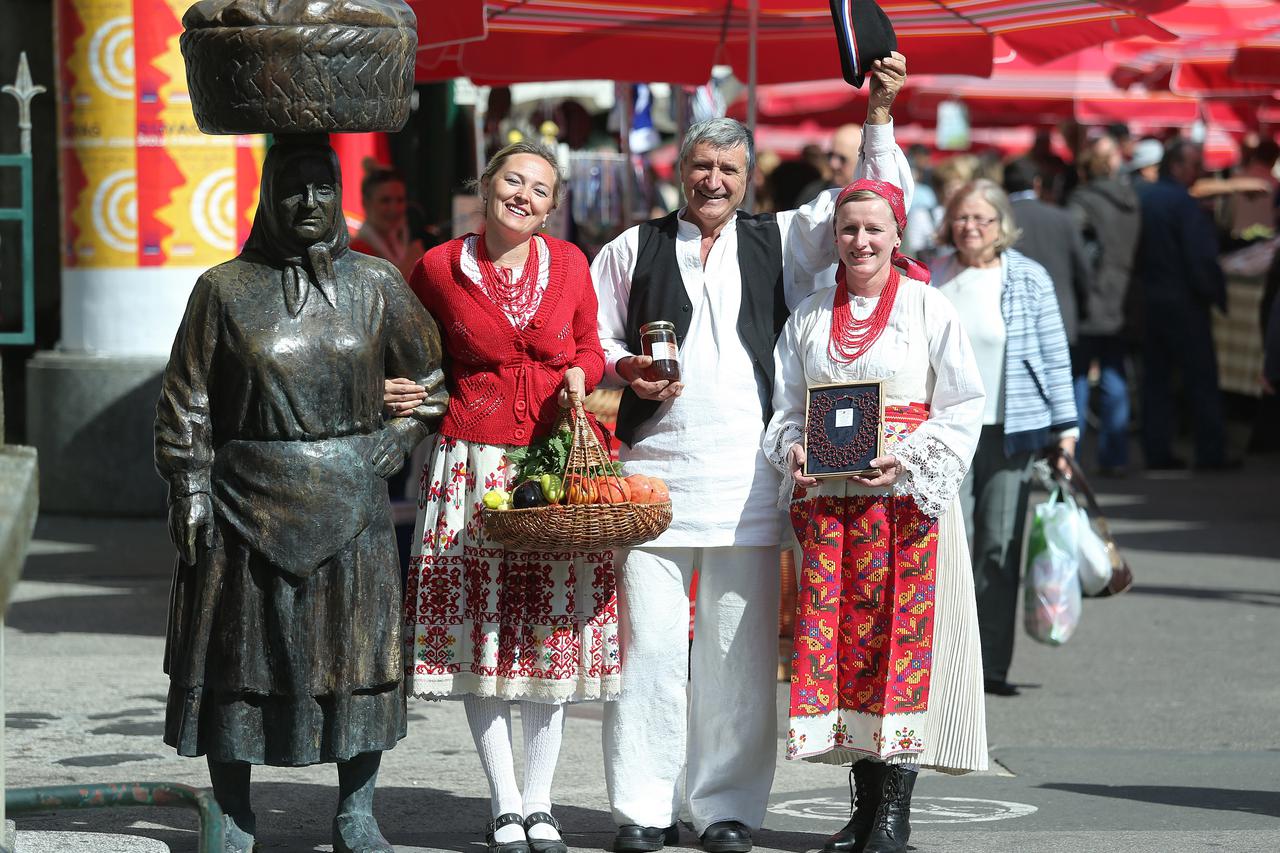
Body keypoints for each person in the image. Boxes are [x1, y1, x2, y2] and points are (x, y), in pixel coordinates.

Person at [591, 54, 912, 853]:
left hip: (750, 484)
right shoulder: (633, 246)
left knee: (736, 656)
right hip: (651, 481)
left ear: (749, 177)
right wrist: (622, 366)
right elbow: (590, 335)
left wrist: (878, 113)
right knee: (649, 650)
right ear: (678, 170)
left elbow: (869, 200)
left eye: (728, 168)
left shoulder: (788, 237)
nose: (713, 180)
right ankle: (642, 808)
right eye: (701, 165)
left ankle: (725, 808)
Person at [155, 138, 447, 853]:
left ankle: (356, 810)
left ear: (337, 194)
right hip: (244, 498)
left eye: (322, 188)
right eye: (292, 189)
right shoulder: (223, 290)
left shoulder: (376, 284)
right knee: (239, 661)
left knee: (357, 658)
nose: (308, 204)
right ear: (268, 197)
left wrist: (402, 435)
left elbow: (434, 376)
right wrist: (189, 486)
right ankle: (233, 810)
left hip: (351, 496)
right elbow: (186, 400)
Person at [386, 140, 618, 853]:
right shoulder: (436, 268)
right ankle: (504, 800)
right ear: (484, 186)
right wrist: (405, 388)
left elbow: (590, 344)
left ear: (552, 205)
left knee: (547, 631)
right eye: (512, 180)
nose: (524, 195)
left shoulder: (571, 263)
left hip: (550, 466)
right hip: (472, 465)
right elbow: (403, 347)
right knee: (484, 634)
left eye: (540, 188)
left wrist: (582, 372)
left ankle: (543, 801)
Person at [765, 178, 986, 853]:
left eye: (873, 229)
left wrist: (907, 459)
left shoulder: (927, 307)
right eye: (848, 230)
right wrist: (794, 447)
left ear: (898, 235)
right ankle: (862, 806)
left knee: (900, 647)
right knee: (845, 654)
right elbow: (783, 407)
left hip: (902, 506)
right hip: (831, 509)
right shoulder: (805, 315)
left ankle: (895, 810)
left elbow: (962, 402)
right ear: (834, 238)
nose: (861, 241)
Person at [931, 179, 1078, 697]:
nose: (970, 227)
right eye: (962, 217)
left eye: (981, 219)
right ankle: (945, 660)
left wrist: (1066, 432)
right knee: (949, 545)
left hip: (1009, 432)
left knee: (998, 548)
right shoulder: (931, 273)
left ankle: (990, 664)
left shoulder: (1027, 279)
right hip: (944, 433)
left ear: (1000, 225)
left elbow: (1055, 357)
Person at [1134, 140, 1232, 470]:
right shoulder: (1183, 205)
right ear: (1176, 166)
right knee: (1200, 379)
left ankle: (1157, 451)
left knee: (1157, 381)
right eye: (1194, 165)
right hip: (1184, 304)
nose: (1199, 171)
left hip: (1150, 300)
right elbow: (1200, 259)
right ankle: (1211, 454)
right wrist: (1216, 296)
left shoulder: (1145, 199)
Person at [1067, 135, 1142, 475]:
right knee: (1114, 378)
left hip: (1090, 299)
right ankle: (1115, 456)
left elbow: (1078, 252)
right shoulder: (1131, 199)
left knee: (1079, 380)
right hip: (1123, 297)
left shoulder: (1082, 200)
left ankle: (1073, 458)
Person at [1003, 157, 1090, 347]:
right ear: (1037, 183)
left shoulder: (998, 221)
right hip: (1061, 318)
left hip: (1013, 322)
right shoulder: (1063, 218)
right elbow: (1082, 271)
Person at [349, 162, 428, 281]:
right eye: (385, 200)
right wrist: (411, 263)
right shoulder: (357, 252)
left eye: (400, 200)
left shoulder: (404, 241)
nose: (394, 208)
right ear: (366, 203)